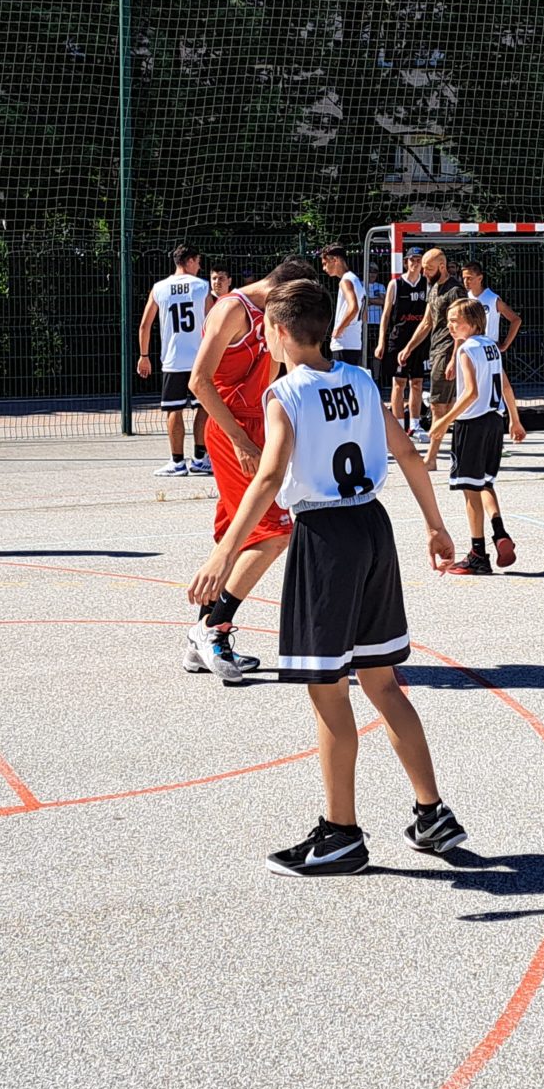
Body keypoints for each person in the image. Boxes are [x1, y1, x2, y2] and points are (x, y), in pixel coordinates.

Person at [188, 278, 464, 876]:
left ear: (279, 332)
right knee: (383, 683)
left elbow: (268, 478)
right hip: (373, 527)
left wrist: (223, 554)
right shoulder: (361, 380)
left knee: (328, 691)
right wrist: (436, 525)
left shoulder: (286, 393)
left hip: (324, 538)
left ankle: (341, 834)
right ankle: (432, 813)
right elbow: (407, 453)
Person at [184, 256, 318, 684]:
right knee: (276, 533)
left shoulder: (273, 319)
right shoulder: (232, 309)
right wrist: (241, 440)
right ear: (280, 289)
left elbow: (277, 377)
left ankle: (198, 642)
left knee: (235, 532)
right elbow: (199, 381)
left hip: (257, 424)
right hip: (231, 429)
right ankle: (214, 629)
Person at [429, 297, 525, 575]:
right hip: (494, 421)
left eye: (455, 321)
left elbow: (470, 392)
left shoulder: (466, 349)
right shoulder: (491, 347)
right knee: (485, 483)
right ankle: (499, 532)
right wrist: (515, 420)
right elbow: (505, 386)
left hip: (472, 424)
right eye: (448, 321)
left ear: (472, 324)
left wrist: (444, 421)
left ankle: (477, 554)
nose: (450, 326)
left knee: (470, 490)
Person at [137, 244, 211, 478]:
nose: (199, 266)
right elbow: (213, 323)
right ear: (189, 261)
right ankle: (200, 458)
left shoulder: (159, 288)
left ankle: (177, 462)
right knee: (204, 408)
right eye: (197, 261)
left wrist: (144, 356)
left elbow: (145, 325)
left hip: (173, 359)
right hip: (200, 358)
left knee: (173, 409)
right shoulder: (202, 287)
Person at [397, 247, 460, 461]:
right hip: (436, 349)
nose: (424, 272)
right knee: (447, 404)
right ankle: (457, 449)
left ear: (442, 266)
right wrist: (409, 347)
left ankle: (431, 458)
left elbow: (463, 327)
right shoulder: (432, 287)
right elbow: (427, 322)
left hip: (448, 350)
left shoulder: (455, 291)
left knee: (437, 404)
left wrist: (454, 358)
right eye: (423, 268)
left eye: (429, 268)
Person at [378, 248, 429, 441]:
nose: (415, 263)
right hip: (399, 339)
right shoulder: (396, 284)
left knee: (417, 382)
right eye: (412, 260)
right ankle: (399, 425)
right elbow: (385, 315)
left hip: (420, 340)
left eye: (419, 260)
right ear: (406, 262)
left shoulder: (427, 284)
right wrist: (381, 341)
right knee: (398, 383)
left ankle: (415, 425)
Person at [320, 244, 368, 367]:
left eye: (325, 263)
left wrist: (338, 330)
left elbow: (354, 308)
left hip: (343, 343)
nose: (324, 268)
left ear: (335, 260)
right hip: (355, 342)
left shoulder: (345, 281)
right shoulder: (357, 280)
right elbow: (364, 315)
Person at [459, 262, 520, 351]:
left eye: (469, 278)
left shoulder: (492, 299)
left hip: (488, 348)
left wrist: (505, 345)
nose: (466, 282)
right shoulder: (465, 298)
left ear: (480, 278)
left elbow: (516, 320)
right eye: (464, 278)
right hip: (470, 347)